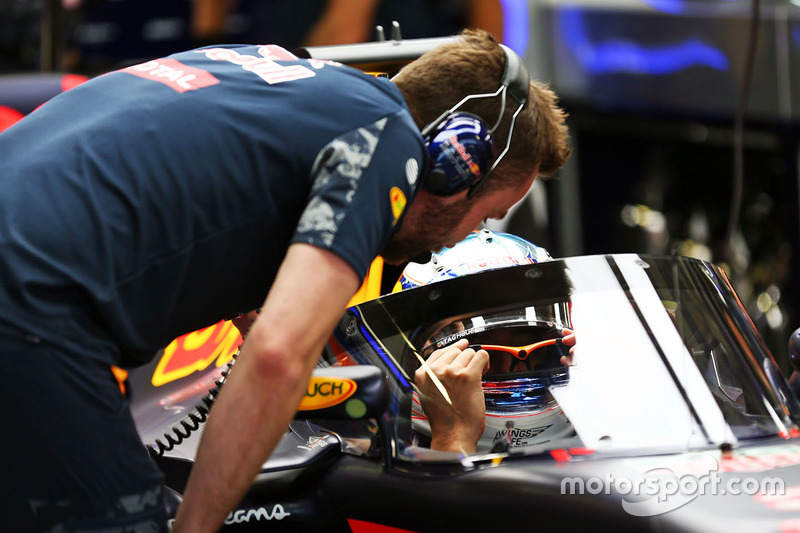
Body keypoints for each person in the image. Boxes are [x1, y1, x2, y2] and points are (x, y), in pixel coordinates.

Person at [0, 29, 570, 531]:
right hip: (31, 310)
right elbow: (275, 357)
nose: (457, 240)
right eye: (486, 214)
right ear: (454, 159)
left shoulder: (269, 69)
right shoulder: (387, 137)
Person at [400, 229, 577, 454]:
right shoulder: (383, 449)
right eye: (478, 348)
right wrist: (453, 438)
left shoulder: (603, 419)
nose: (507, 368)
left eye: (528, 338)